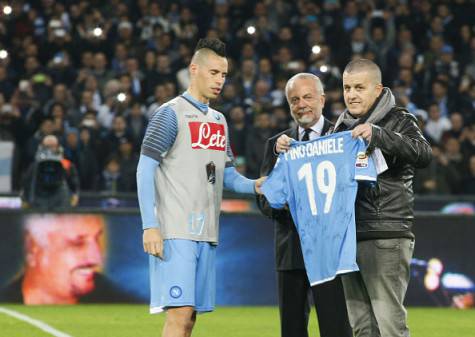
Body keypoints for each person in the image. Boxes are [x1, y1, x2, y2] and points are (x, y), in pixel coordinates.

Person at [276, 59, 432, 337]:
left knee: (389, 325)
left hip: (385, 232)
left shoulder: (399, 118)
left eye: (359, 87)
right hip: (348, 237)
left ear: (377, 89)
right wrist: (289, 149)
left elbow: (423, 153)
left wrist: (379, 135)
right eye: (347, 88)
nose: (352, 94)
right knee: (361, 326)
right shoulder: (341, 128)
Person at [136, 38, 265, 337]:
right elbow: (145, 168)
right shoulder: (170, 113)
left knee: (190, 317)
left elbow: (227, 176)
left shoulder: (219, 121)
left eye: (224, 75)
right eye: (214, 72)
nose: (220, 80)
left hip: (206, 232)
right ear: (194, 69)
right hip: (175, 229)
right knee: (179, 315)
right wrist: (149, 226)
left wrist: (257, 186)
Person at [257, 73, 352, 337]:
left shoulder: (343, 137)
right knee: (292, 330)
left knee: (336, 329)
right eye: (294, 99)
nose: (302, 104)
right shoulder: (276, 146)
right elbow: (264, 200)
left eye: (308, 97)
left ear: (322, 99)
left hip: (331, 252)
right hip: (291, 252)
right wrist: (295, 206)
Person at [0, 214, 136, 304]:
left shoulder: (114, 298)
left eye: (97, 240)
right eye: (77, 243)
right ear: (33, 248)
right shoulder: (6, 302)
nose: (96, 259)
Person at [21, 134, 80, 209]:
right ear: (42, 147)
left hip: (61, 202)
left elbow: (74, 184)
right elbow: (27, 183)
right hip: (39, 202)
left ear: (58, 147)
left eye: (52, 146)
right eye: (47, 147)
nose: (50, 149)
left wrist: (75, 195)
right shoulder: (35, 165)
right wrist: (25, 199)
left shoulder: (66, 164)